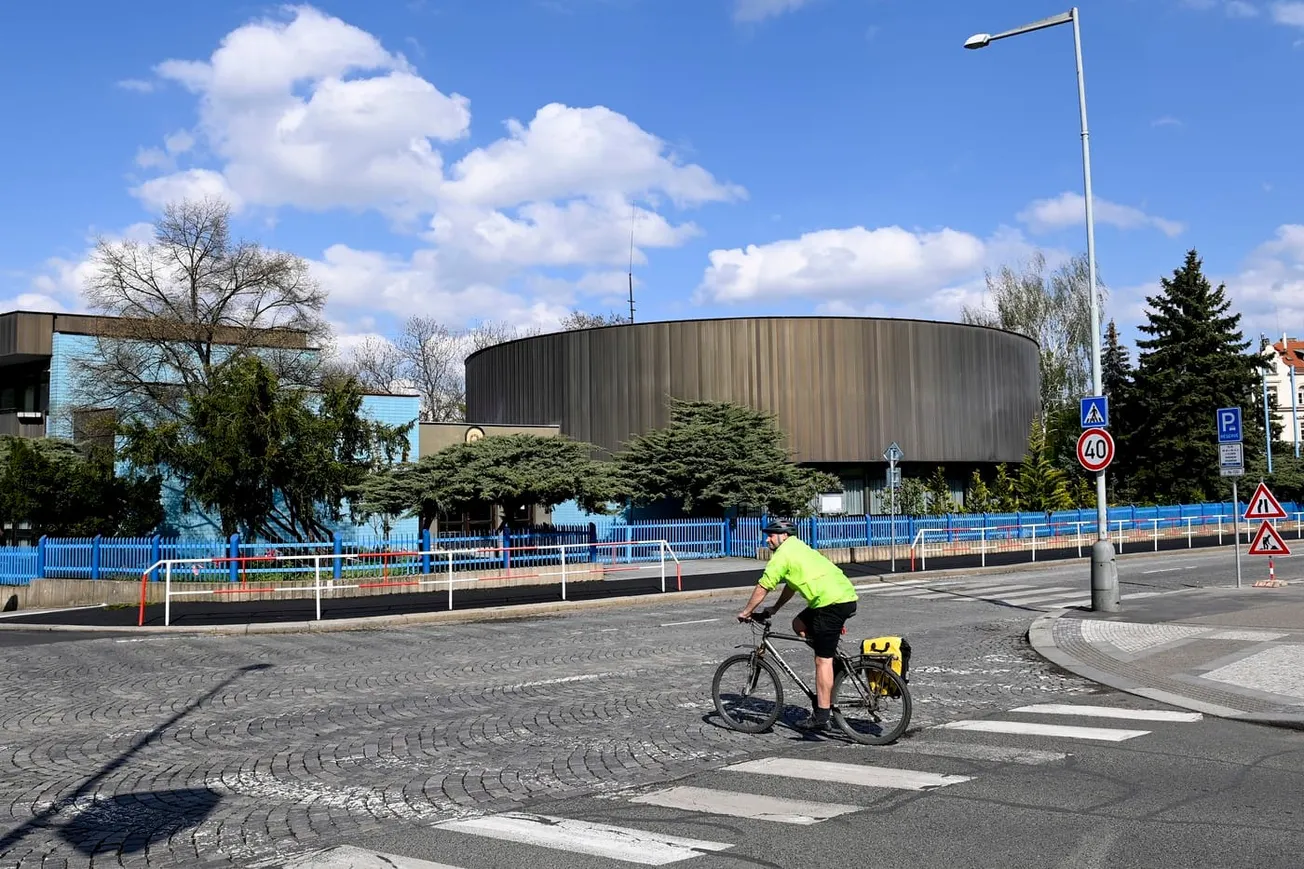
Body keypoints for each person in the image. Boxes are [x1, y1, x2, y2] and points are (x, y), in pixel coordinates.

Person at [736, 519, 859, 732]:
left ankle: (821, 715)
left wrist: (746, 612)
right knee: (799, 624)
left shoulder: (782, 555)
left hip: (830, 604)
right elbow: (791, 585)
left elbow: (763, 586)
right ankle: (834, 662)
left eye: (771, 535)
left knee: (822, 661)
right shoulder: (798, 548)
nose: (767, 539)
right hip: (842, 597)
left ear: (783, 536)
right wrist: (774, 609)